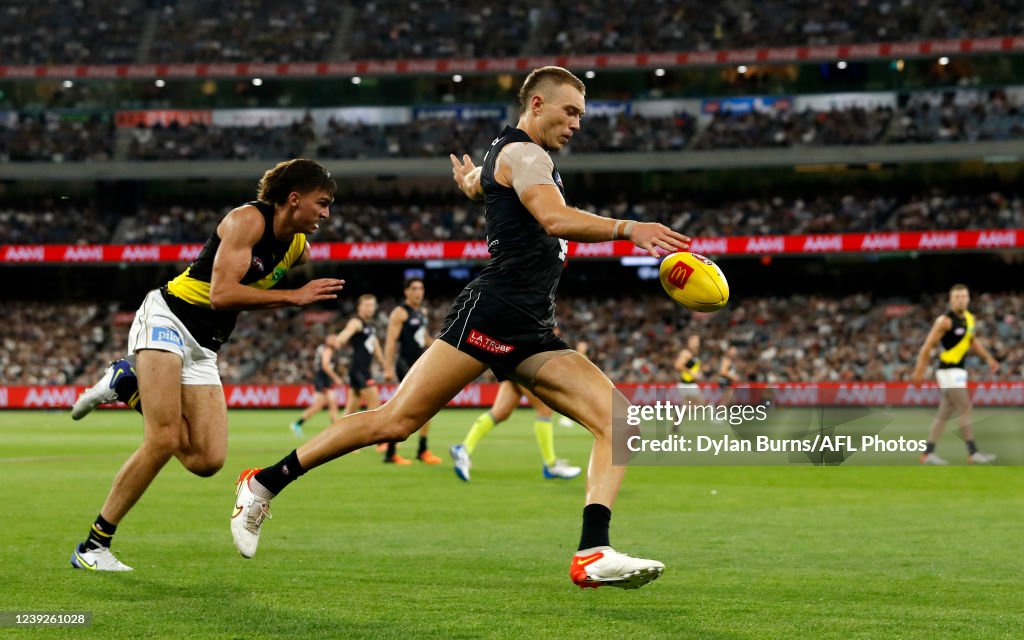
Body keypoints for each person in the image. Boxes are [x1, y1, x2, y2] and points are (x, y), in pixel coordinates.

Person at [230, 66, 688, 589]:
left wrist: (471, 183)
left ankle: (593, 551)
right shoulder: (526, 155)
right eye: (570, 111)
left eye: (581, 114)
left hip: (532, 325)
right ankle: (263, 482)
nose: (578, 123)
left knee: (619, 422)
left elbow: (482, 184)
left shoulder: (510, 154)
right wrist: (632, 228)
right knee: (395, 421)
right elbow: (556, 220)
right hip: (493, 312)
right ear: (537, 105)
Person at [70, 158, 343, 572]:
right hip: (169, 319)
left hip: (205, 345)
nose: (326, 213)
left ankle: (127, 385)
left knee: (207, 460)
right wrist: (293, 297)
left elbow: (265, 276)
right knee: (161, 440)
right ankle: (93, 546)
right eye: (321, 203)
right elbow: (220, 294)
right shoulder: (245, 221)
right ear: (293, 198)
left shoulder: (298, 248)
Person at [911, 284, 999, 465]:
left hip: (959, 371)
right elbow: (927, 346)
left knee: (944, 413)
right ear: (951, 300)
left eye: (964, 296)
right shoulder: (944, 321)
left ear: (968, 298)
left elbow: (972, 341)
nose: (961, 299)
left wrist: (988, 358)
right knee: (965, 408)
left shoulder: (970, 319)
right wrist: (919, 371)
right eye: (957, 296)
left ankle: (927, 454)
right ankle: (972, 452)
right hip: (947, 370)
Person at [450, 380, 582, 481]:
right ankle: (551, 465)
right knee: (544, 409)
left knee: (500, 412)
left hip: (511, 359)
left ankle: (463, 449)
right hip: (521, 359)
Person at [382, 277, 442, 464]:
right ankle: (391, 452)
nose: (418, 292)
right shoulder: (400, 313)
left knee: (428, 404)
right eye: (414, 288)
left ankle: (422, 450)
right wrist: (387, 367)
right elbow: (391, 341)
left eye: (421, 288)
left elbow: (423, 338)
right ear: (406, 291)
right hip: (404, 364)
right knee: (404, 408)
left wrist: (443, 349)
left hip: (419, 364)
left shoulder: (422, 312)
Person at [336, 294, 403, 463]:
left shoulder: (370, 326)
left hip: (362, 371)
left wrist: (385, 365)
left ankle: (336, 440)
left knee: (351, 409)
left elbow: (376, 347)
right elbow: (347, 332)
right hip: (359, 371)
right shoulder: (356, 321)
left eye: (372, 305)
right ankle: (378, 442)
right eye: (366, 305)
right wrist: (340, 339)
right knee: (375, 404)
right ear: (359, 307)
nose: (369, 308)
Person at [289, 334, 345, 437]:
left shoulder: (323, 348)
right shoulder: (328, 350)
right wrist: (336, 377)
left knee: (319, 406)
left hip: (322, 379)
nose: (337, 342)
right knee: (332, 405)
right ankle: (336, 431)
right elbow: (325, 365)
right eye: (335, 340)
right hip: (323, 380)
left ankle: (297, 424)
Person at [671, 335, 704, 433]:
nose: (696, 342)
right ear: (689, 342)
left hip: (688, 383)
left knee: (685, 406)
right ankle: (679, 415)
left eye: (697, 340)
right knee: (700, 404)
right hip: (687, 384)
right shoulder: (686, 353)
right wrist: (691, 372)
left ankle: (677, 422)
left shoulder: (695, 354)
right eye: (694, 340)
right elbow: (677, 365)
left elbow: (693, 366)